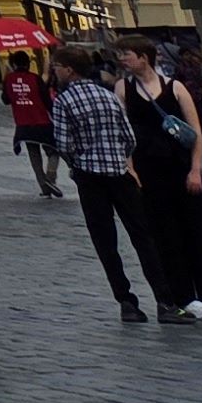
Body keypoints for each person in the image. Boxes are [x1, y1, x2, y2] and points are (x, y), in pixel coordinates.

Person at [118, 35, 202, 316]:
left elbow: (195, 131)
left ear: (143, 57)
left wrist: (196, 169)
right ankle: (184, 297)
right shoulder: (122, 89)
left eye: (127, 53)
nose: (122, 59)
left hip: (181, 167)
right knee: (165, 235)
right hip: (148, 171)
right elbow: (122, 135)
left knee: (196, 232)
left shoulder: (175, 87)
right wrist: (131, 169)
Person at [46, 45, 160, 326]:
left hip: (90, 178)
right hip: (120, 174)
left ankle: (127, 302)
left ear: (69, 70)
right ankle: (165, 300)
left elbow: (63, 144)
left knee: (106, 242)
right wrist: (119, 159)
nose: (54, 71)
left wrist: (78, 163)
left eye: (56, 67)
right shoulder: (108, 95)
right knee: (143, 237)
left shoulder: (63, 101)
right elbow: (129, 137)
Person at [3, 56, 62, 199]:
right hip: (41, 121)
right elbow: (46, 100)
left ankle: (44, 186)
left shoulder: (8, 80)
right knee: (54, 150)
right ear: (28, 64)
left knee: (34, 155)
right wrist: (55, 114)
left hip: (23, 124)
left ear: (13, 64)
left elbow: (5, 100)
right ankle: (50, 176)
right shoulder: (35, 78)